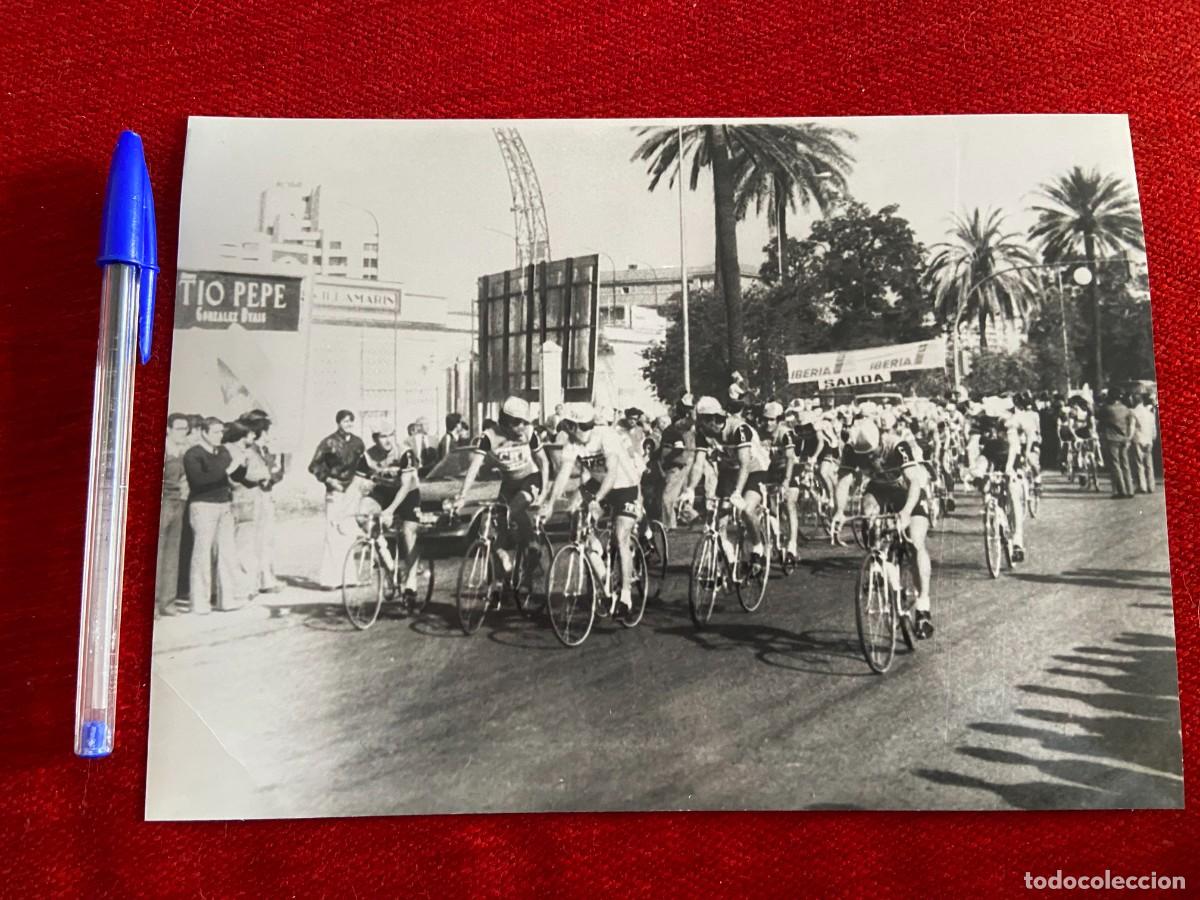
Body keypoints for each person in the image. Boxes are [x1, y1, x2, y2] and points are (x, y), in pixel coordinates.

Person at [830, 417, 935, 638]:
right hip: (879, 489)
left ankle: (923, 605)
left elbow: (914, 482)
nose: (870, 459)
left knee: (915, 541)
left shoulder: (898, 445)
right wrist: (839, 511)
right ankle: (884, 571)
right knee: (869, 515)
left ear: (880, 441)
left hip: (909, 490)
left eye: (873, 453)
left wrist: (906, 512)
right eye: (864, 456)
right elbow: (844, 481)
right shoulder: (851, 449)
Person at [542, 403, 645, 611]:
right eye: (566, 426)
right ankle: (597, 557)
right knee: (575, 515)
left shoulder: (606, 436)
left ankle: (625, 595)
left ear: (581, 425)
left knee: (620, 536)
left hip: (624, 486)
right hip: (597, 485)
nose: (568, 432)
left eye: (570, 426)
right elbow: (563, 474)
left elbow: (612, 473)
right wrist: (551, 504)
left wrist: (596, 500)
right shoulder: (572, 443)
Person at [455, 396, 551, 581]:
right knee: (496, 526)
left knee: (514, 509)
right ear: (505, 421)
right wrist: (462, 495)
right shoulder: (489, 437)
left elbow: (544, 462)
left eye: (525, 422)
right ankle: (504, 567)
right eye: (517, 423)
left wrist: (544, 491)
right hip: (508, 483)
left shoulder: (529, 433)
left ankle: (533, 544)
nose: (521, 427)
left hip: (530, 478)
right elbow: (474, 467)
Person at [677, 395, 771, 574]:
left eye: (701, 421)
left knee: (746, 510)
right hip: (729, 470)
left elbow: (744, 463)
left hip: (754, 469)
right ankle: (730, 558)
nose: (698, 426)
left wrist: (737, 493)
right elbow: (698, 463)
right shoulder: (703, 432)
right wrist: (689, 488)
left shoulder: (738, 429)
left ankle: (758, 547)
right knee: (718, 519)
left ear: (712, 419)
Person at [183, 418, 247, 613]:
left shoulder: (223, 452)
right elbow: (200, 480)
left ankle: (226, 599)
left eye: (222, 432)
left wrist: (242, 464)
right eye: (216, 432)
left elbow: (236, 477)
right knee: (202, 554)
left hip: (224, 505)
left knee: (227, 553)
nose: (220, 435)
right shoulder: (193, 454)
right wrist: (229, 468)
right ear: (204, 432)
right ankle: (200, 601)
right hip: (203, 507)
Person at [359, 426, 425, 601]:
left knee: (408, 531)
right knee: (362, 516)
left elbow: (405, 485)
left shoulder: (405, 453)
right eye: (382, 436)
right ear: (375, 439)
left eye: (390, 435)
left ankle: (411, 582)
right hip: (384, 492)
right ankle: (390, 567)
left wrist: (389, 511)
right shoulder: (368, 455)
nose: (388, 440)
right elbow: (357, 481)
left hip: (408, 493)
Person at [309, 409, 366, 588]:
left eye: (350, 421)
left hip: (353, 492)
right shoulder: (328, 442)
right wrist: (329, 479)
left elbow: (364, 465)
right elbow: (314, 466)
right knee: (333, 532)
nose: (348, 424)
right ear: (338, 423)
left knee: (348, 532)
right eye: (344, 421)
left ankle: (349, 578)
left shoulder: (358, 443)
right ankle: (330, 579)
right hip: (335, 492)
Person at [972, 408, 1028, 561]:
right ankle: (995, 519)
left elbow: (1013, 451)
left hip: (1013, 466)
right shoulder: (989, 437)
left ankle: (1017, 541)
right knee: (986, 487)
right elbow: (984, 456)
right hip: (997, 465)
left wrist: (1010, 469)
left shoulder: (1011, 433)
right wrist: (977, 470)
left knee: (1013, 492)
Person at [236, 411, 283, 593]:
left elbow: (277, 471)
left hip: (266, 495)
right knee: (249, 541)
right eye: (267, 431)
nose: (268, 436)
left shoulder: (265, 451)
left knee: (266, 539)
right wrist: (263, 476)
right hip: (251, 497)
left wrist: (272, 477)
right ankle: (250, 582)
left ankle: (265, 578)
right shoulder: (248, 450)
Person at [156, 413, 191, 616]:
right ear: (168, 429)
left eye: (185, 428)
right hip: (163, 504)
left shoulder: (182, 451)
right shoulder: (162, 448)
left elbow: (185, 479)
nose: (182, 432)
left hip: (178, 503)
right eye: (178, 428)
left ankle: (167, 603)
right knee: (157, 554)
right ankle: (151, 606)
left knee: (172, 554)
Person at [761, 400, 799, 562]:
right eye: (766, 419)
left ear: (779, 420)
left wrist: (786, 481)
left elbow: (790, 458)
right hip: (771, 471)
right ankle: (775, 536)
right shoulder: (760, 433)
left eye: (772, 420)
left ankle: (792, 545)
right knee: (770, 508)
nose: (768, 423)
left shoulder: (785, 433)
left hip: (788, 470)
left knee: (789, 503)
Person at [1098, 390, 1135, 498]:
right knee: (1125, 464)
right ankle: (1130, 490)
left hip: (1112, 438)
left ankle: (1121, 490)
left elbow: (1099, 418)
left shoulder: (1107, 409)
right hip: (1124, 438)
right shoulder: (1125, 409)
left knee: (1115, 464)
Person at [1131, 393, 1157, 493]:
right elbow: (1153, 428)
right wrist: (1152, 438)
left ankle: (1142, 486)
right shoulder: (1149, 413)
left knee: (1139, 463)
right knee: (1149, 464)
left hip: (1138, 439)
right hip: (1148, 439)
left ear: (1134, 400)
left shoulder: (1134, 412)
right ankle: (1151, 486)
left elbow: (1132, 427)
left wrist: (1130, 438)